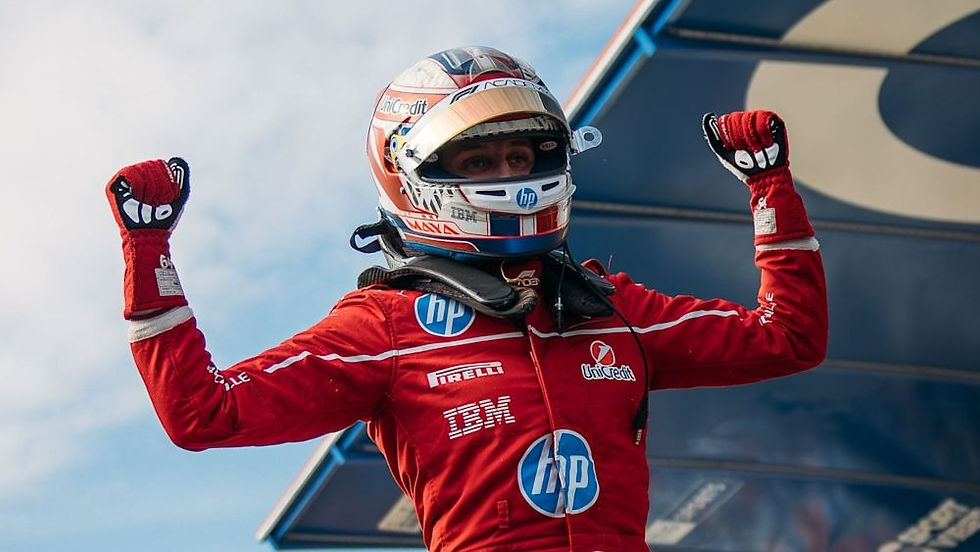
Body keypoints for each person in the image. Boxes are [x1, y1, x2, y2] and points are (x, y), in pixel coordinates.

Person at [105, 46, 827, 552]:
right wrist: (147, 248)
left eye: (523, 156)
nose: (510, 176)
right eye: (479, 161)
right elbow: (203, 413)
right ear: (409, 177)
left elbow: (789, 337)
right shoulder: (382, 327)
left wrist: (771, 189)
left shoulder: (609, 306)